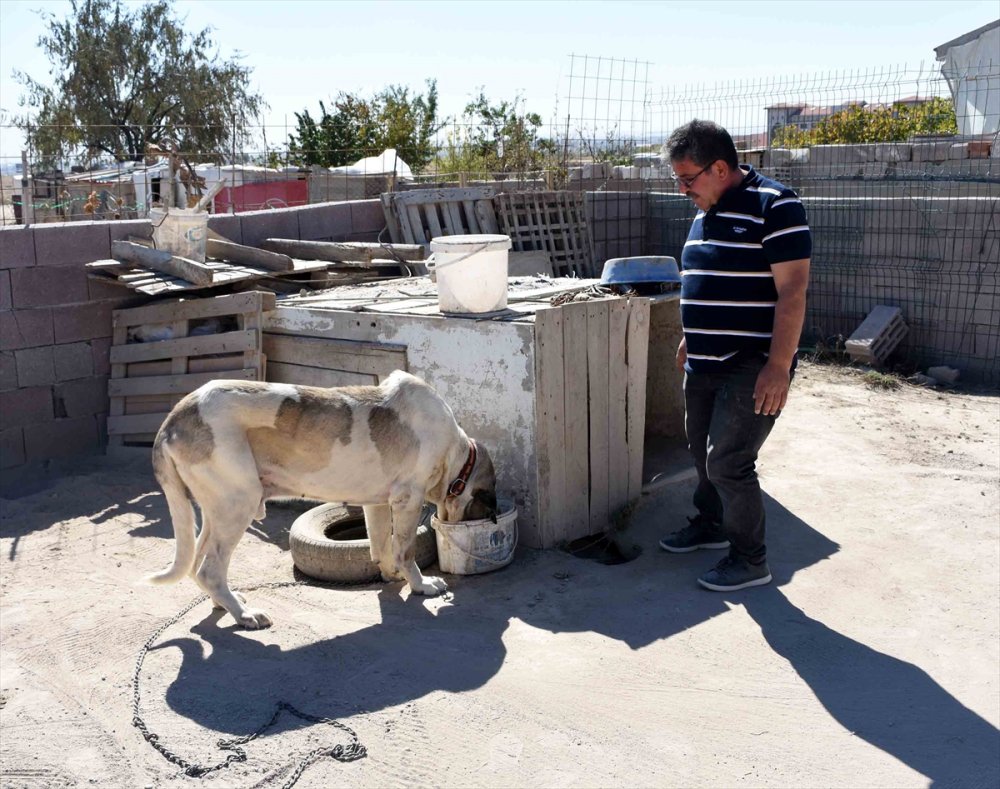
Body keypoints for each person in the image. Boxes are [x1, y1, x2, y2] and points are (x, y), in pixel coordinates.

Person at [658, 119, 811, 592]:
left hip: (752, 362)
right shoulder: (706, 208)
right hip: (703, 360)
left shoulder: (776, 205)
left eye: (688, 179)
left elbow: (793, 291)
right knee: (700, 453)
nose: (682, 189)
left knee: (728, 461)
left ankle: (750, 560)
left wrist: (778, 366)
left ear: (720, 168)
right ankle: (712, 524)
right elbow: (708, 279)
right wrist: (693, 336)